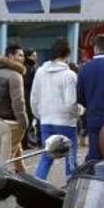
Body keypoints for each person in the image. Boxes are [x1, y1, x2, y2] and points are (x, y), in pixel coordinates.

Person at [31, 38, 79, 180]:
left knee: (47, 156)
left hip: (46, 120)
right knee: (70, 155)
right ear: (67, 54)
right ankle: (71, 186)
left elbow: (34, 97)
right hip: (66, 122)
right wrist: (77, 114)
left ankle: (38, 184)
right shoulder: (69, 75)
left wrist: (40, 115)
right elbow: (71, 103)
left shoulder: (40, 72)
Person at [0, 46, 28, 175]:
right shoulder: (15, 75)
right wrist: (23, 121)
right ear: (10, 56)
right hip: (11, 122)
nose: (22, 58)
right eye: (19, 55)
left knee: (16, 149)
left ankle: (23, 175)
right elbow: (18, 102)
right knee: (5, 157)